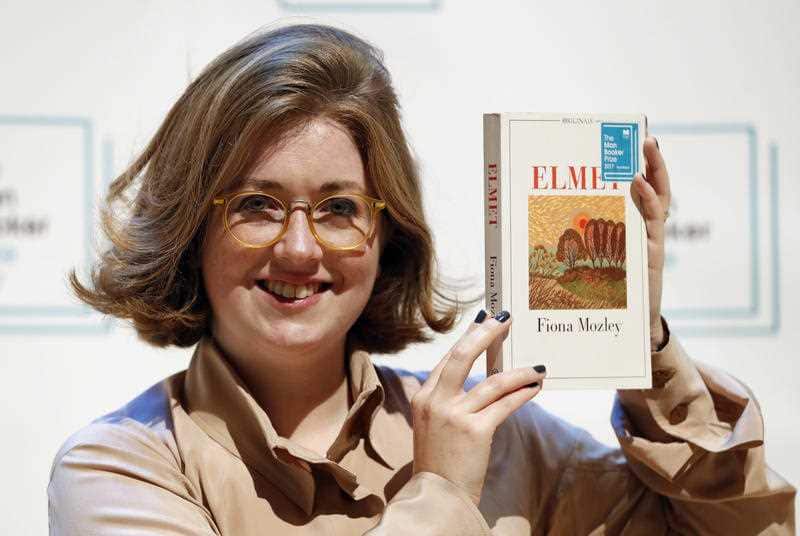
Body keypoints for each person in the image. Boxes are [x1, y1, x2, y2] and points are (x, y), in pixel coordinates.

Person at [48, 23, 795, 535]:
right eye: (256, 205)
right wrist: (438, 496)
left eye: (340, 208)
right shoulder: (122, 464)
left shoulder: (506, 441)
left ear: (389, 233)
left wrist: (640, 338)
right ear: (191, 230)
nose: (301, 249)